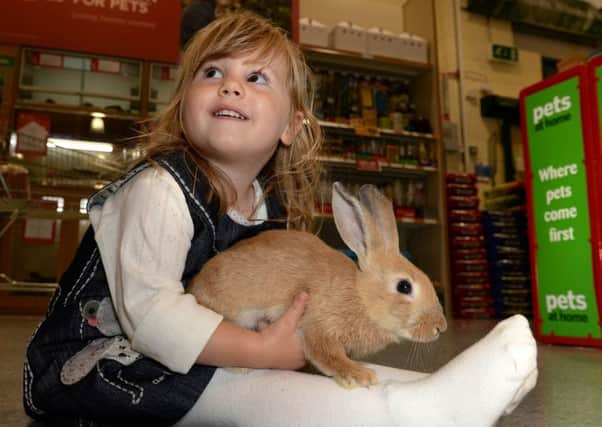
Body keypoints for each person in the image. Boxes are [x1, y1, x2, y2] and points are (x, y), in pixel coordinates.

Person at [24, 11, 537, 427]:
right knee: (260, 392)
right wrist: (259, 348)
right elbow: (151, 315)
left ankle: (431, 390)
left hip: (198, 351)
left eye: (255, 77)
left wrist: (274, 337)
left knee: (323, 371)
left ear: (292, 126)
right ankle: (425, 413)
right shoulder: (160, 191)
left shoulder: (260, 208)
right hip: (103, 365)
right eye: (212, 72)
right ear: (183, 105)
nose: (230, 86)